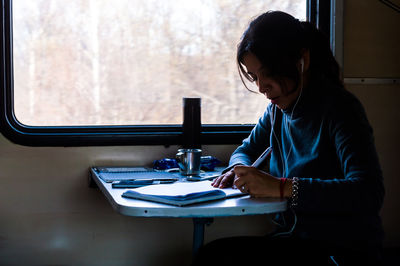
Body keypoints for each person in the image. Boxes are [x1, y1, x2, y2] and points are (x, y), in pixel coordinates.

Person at [193, 11, 384, 266]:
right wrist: (237, 170)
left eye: (267, 73)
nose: (261, 87)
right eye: (254, 77)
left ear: (301, 60)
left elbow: (368, 192)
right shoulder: (277, 111)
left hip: (341, 249)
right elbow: (246, 149)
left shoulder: (340, 110)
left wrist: (283, 187)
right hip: (295, 239)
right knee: (213, 255)